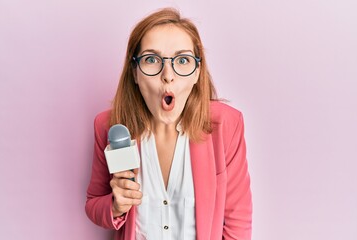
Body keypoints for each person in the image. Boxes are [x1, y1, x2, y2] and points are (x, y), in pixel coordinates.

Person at [85, 8, 252, 240]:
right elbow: (94, 204)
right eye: (151, 59)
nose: (168, 75)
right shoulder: (109, 126)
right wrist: (115, 205)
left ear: (196, 73)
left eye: (182, 60)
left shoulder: (226, 125)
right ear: (135, 72)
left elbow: (238, 222)